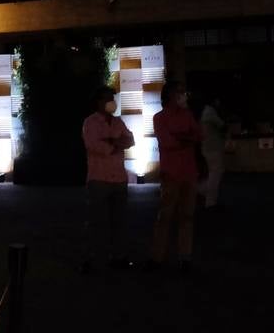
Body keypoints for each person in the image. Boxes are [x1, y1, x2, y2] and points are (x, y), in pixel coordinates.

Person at [147, 82, 203, 272]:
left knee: (187, 216)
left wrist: (182, 137)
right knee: (166, 216)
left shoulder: (187, 115)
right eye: (180, 92)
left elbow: (198, 135)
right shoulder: (159, 118)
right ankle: (157, 257)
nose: (183, 96)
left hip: (189, 172)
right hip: (171, 173)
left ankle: (184, 256)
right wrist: (186, 137)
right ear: (170, 95)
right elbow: (168, 142)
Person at [81, 87, 135, 271]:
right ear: (98, 102)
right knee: (96, 221)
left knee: (119, 221)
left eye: (112, 98)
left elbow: (130, 140)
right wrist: (116, 142)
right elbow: (96, 146)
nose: (112, 101)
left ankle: (118, 256)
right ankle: (92, 258)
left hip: (119, 178)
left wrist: (111, 141)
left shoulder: (118, 122)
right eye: (108, 98)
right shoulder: (90, 123)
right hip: (99, 178)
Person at [199, 94, 228, 209]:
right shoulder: (210, 112)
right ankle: (210, 201)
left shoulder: (206, 112)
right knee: (215, 174)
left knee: (214, 173)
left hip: (209, 147)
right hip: (213, 148)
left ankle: (203, 192)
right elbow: (222, 126)